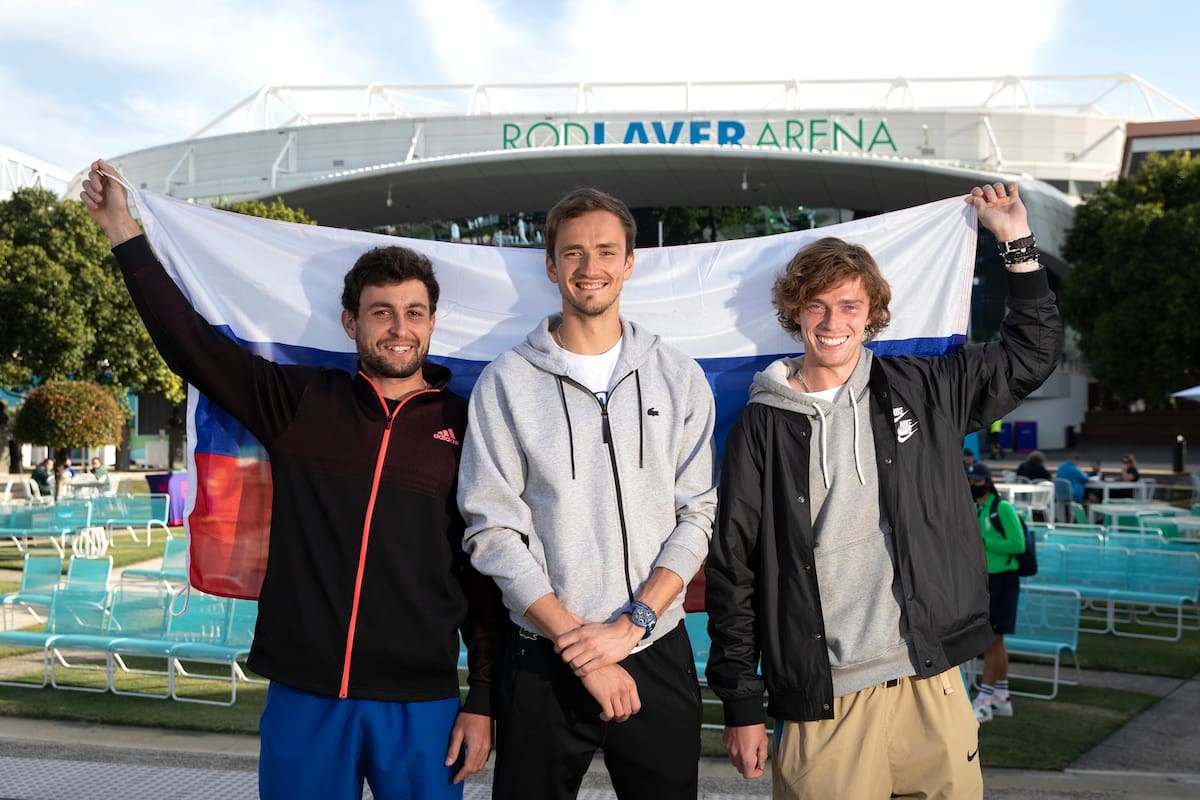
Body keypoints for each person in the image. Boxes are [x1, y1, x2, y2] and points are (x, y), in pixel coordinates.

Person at [81, 160, 503, 800]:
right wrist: (122, 230)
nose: (399, 328)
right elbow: (190, 345)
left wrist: (485, 701)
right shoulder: (303, 401)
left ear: (432, 324)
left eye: (414, 313)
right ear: (349, 323)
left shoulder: (469, 425)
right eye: (381, 312)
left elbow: (485, 569)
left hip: (422, 702)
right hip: (305, 692)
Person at [706, 181, 1062, 798]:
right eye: (817, 306)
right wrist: (741, 701)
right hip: (827, 696)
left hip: (933, 679)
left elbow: (1031, 353)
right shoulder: (761, 422)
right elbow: (734, 568)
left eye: (848, 306)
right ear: (795, 314)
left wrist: (1015, 242)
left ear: (872, 314)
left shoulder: (925, 387)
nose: (833, 322)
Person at [458, 187, 717, 800]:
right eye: (572, 253)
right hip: (544, 654)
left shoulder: (679, 376)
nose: (589, 267)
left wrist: (632, 626)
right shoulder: (504, 383)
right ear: (551, 266)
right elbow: (491, 531)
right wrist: (586, 651)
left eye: (606, 251)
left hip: (653, 646)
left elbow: (698, 514)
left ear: (630, 262)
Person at [965, 461, 1025, 723]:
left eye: (977, 481)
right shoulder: (979, 509)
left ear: (988, 481)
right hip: (987, 579)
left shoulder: (1002, 508)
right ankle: (1002, 697)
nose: (973, 485)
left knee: (992, 640)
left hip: (1004, 579)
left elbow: (1018, 544)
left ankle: (985, 698)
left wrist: (985, 541)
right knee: (996, 641)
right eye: (970, 481)